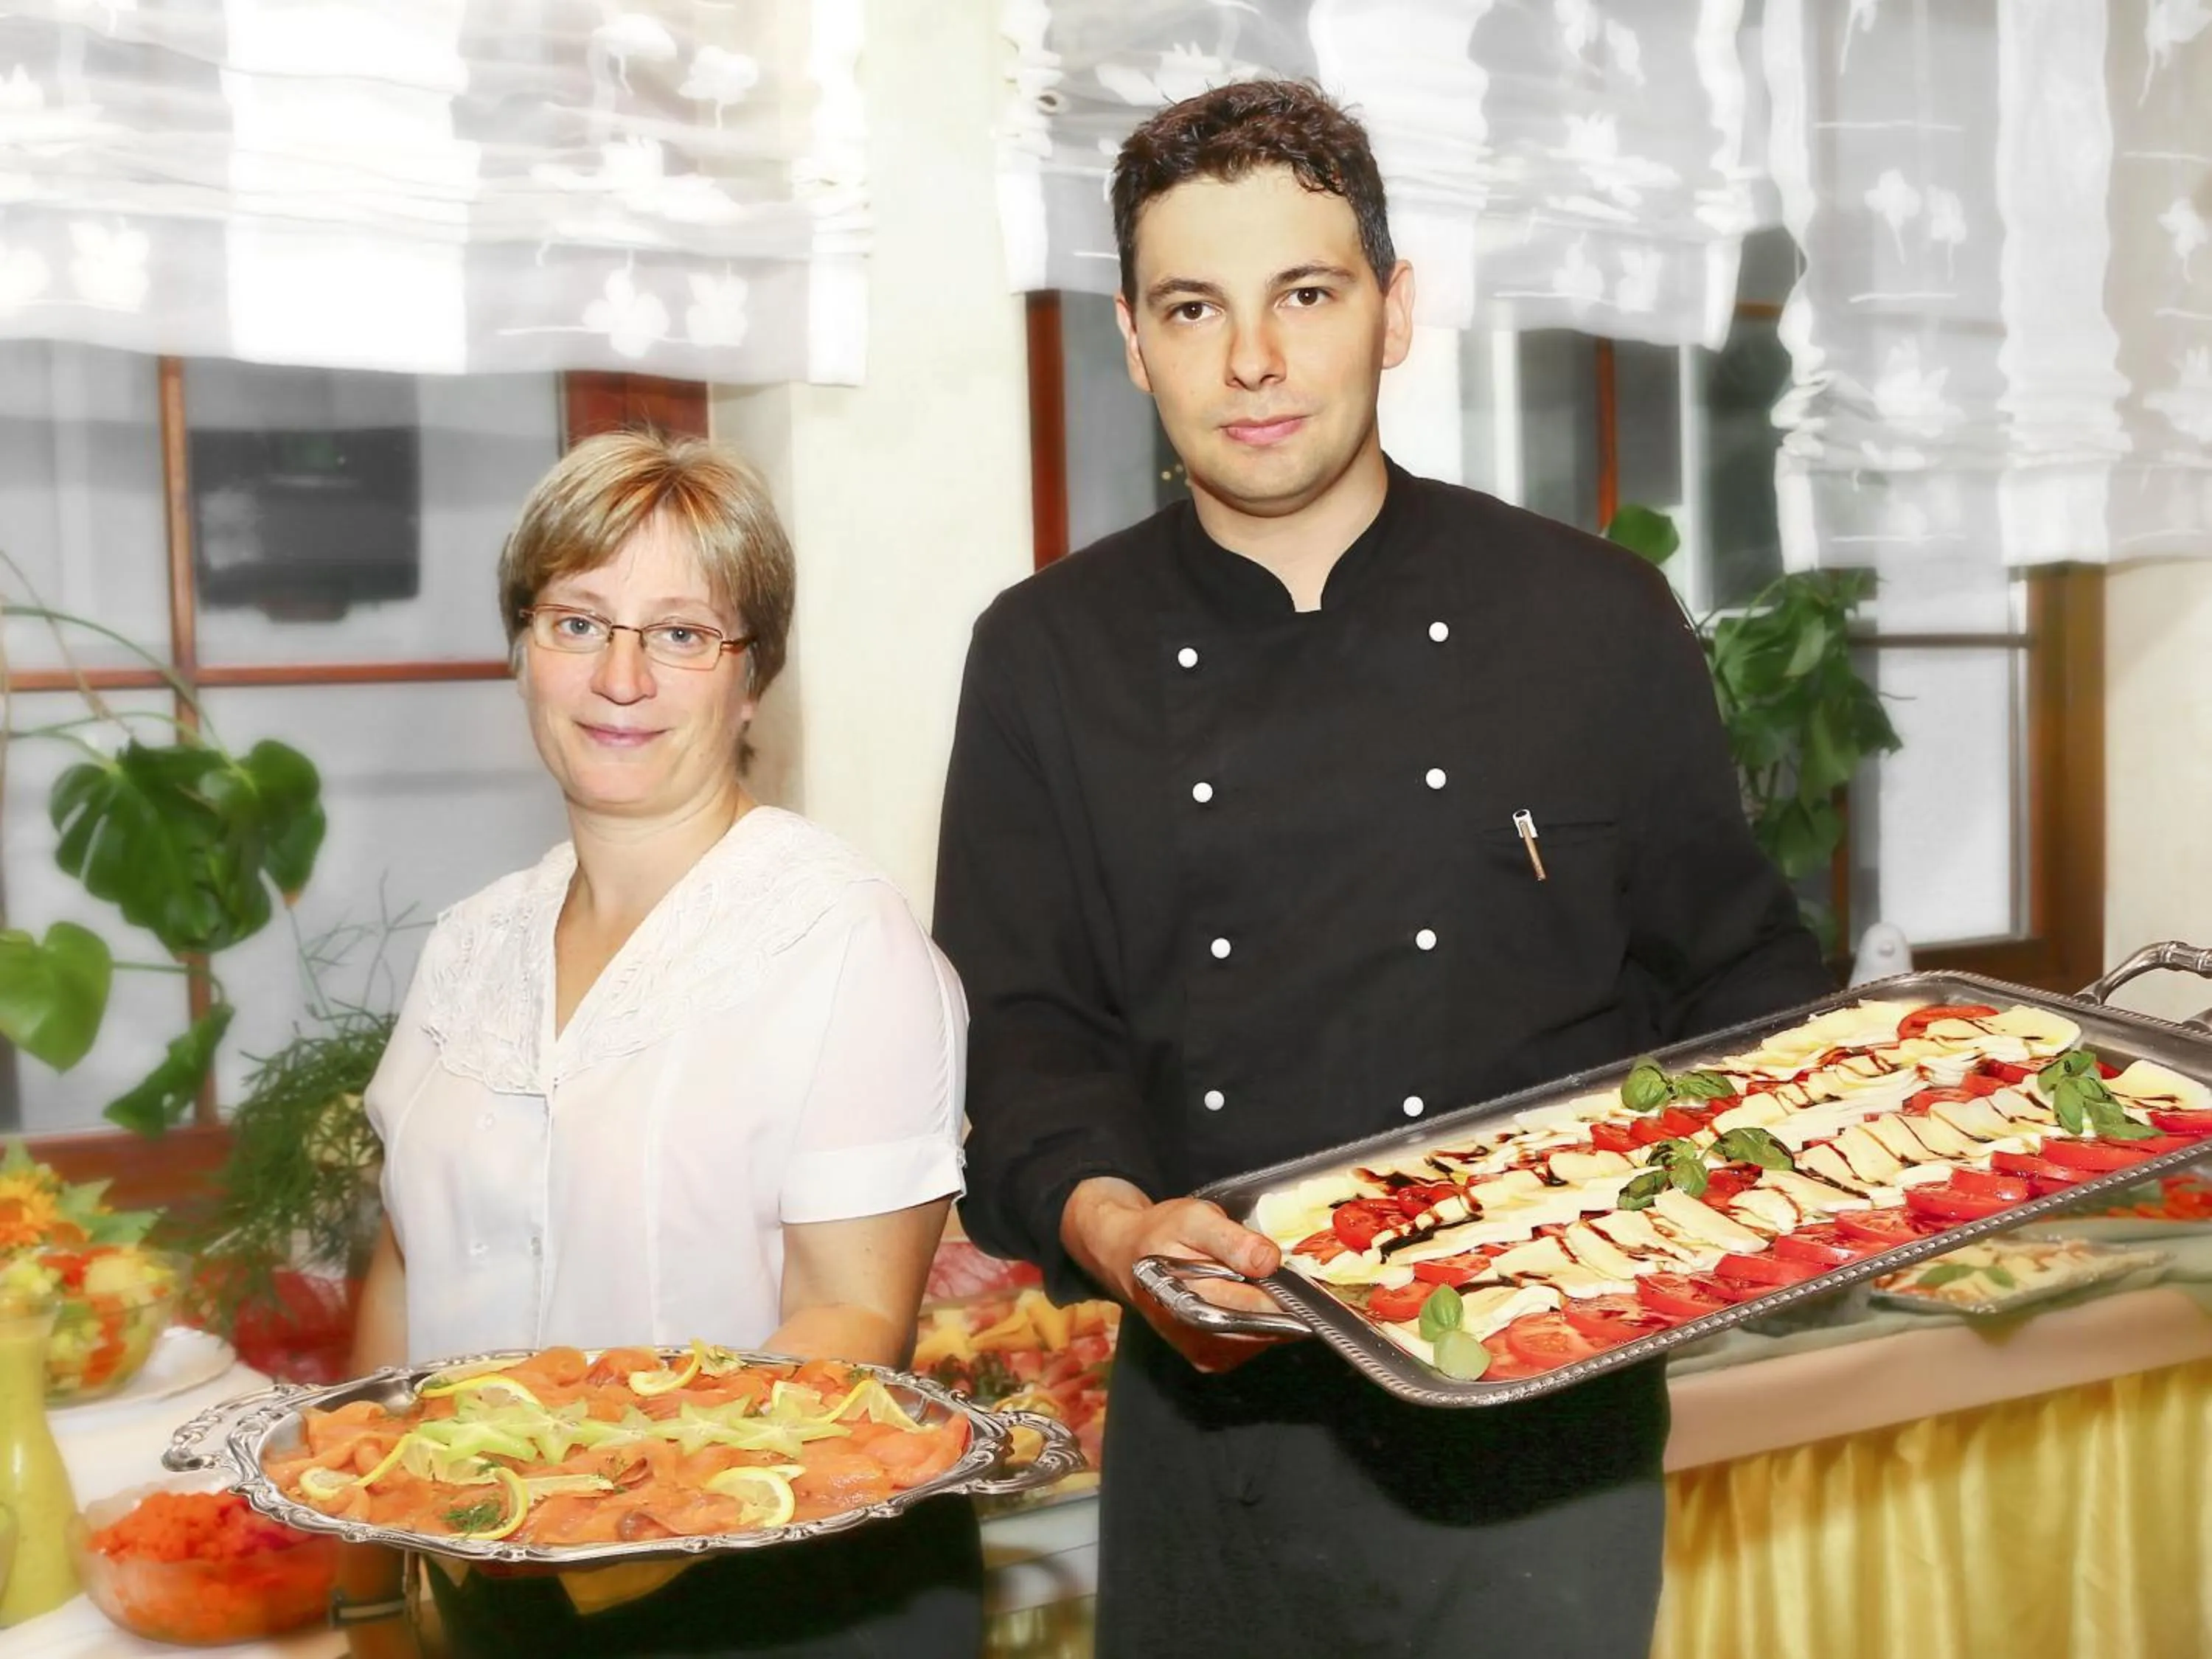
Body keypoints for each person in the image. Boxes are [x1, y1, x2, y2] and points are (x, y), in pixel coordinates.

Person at [933, 80, 1833, 1658]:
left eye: (1306, 293)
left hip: (1545, 1439)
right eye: (1193, 308)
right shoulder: (1041, 660)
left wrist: (1739, 1182)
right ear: (1135, 344)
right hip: (1211, 1435)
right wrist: (1112, 1223)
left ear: (1395, 310)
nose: (1254, 361)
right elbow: (1026, 1036)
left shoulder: (1595, 620)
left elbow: (1745, 976)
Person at [335, 431, 982, 1659]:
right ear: (523, 650)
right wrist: (374, 1584)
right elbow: (404, 1272)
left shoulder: (841, 938)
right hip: (487, 1595)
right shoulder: (473, 944)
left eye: (680, 633)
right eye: (578, 621)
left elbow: (853, 1318)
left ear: (752, 680)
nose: (619, 676)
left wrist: (599, 1517)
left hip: (766, 1605)